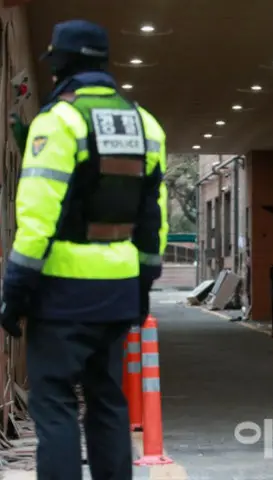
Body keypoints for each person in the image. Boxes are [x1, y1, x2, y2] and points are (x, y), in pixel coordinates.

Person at [0, 19, 169, 480]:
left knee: (53, 405)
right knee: (107, 399)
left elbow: (36, 220)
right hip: (117, 290)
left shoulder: (58, 123)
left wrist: (15, 289)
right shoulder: (145, 125)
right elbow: (154, 218)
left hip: (60, 292)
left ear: (62, 65)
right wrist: (142, 287)